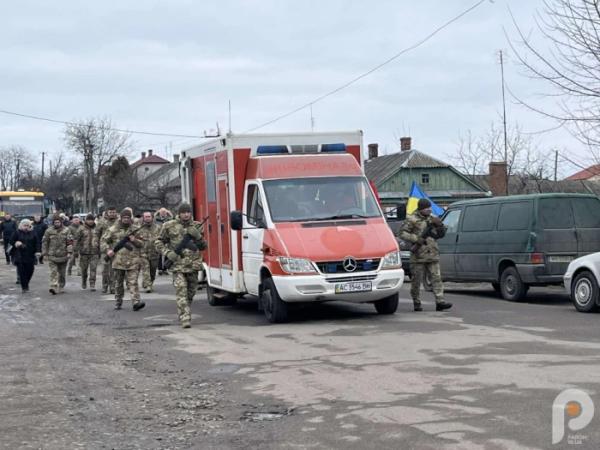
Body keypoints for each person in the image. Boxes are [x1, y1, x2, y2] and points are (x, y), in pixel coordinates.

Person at [155, 203, 206, 328]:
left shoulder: (197, 225)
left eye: (188, 212)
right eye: (183, 212)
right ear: (179, 213)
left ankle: (184, 310)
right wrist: (168, 253)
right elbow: (158, 241)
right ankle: (185, 318)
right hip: (177, 265)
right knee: (181, 290)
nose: (186, 214)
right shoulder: (169, 226)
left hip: (193, 265)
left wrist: (198, 237)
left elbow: (203, 246)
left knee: (191, 293)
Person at [399, 198, 452, 312]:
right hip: (418, 255)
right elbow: (402, 233)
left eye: (429, 207)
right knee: (416, 281)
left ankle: (440, 302)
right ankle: (417, 302)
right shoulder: (412, 219)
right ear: (421, 208)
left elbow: (440, 235)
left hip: (432, 254)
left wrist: (440, 226)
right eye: (426, 208)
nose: (429, 209)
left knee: (436, 279)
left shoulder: (433, 218)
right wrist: (416, 239)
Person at [101, 208, 145, 311]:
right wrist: (108, 250)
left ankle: (136, 302)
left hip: (133, 260)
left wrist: (135, 240)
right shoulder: (113, 229)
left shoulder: (135, 230)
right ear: (120, 218)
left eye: (128, 218)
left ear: (131, 218)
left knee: (133, 282)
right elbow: (103, 241)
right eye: (124, 217)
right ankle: (118, 301)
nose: (126, 219)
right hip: (118, 261)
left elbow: (142, 244)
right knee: (118, 283)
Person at [41, 214, 73, 295]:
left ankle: (61, 286)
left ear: (61, 222)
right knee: (53, 272)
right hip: (52, 255)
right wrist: (44, 253)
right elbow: (45, 242)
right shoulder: (49, 231)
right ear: (53, 223)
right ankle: (53, 286)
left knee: (62, 273)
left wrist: (69, 252)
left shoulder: (66, 230)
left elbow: (69, 242)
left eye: (58, 222)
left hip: (63, 255)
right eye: (55, 222)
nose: (57, 223)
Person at [9, 219, 41, 293]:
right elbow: (11, 241)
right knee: (22, 272)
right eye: (24, 225)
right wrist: (16, 243)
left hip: (30, 255)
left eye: (27, 225)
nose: (26, 227)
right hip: (19, 255)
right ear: (21, 225)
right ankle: (24, 287)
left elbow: (37, 243)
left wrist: (38, 251)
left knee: (30, 271)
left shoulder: (33, 233)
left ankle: (26, 283)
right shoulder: (17, 232)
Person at [138, 211, 161, 293]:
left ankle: (149, 283)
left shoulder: (158, 228)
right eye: (146, 217)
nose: (147, 218)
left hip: (154, 252)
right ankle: (148, 285)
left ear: (152, 217)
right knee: (145, 269)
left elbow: (162, 239)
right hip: (143, 252)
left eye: (149, 216)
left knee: (153, 270)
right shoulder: (139, 228)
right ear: (143, 218)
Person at [96, 206, 118, 294]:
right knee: (105, 269)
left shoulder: (118, 222)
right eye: (110, 212)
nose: (112, 214)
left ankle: (113, 287)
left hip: (116, 248)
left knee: (114, 269)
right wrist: (96, 244)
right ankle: (105, 286)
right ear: (107, 213)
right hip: (105, 248)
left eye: (114, 212)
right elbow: (96, 234)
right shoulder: (102, 222)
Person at [75, 214, 100, 291]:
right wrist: (75, 250)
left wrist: (100, 250)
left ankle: (92, 284)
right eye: (88, 220)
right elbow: (76, 240)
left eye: (92, 220)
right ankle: (84, 281)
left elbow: (101, 239)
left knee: (93, 269)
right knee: (84, 270)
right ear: (86, 220)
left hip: (94, 252)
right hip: (84, 252)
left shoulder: (97, 229)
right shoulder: (81, 229)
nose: (90, 221)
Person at [154, 208, 173, 275]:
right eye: (162, 212)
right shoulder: (156, 219)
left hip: (167, 237)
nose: (163, 213)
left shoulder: (169, 219)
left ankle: (165, 268)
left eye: (164, 212)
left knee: (166, 253)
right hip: (159, 237)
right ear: (160, 213)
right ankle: (160, 269)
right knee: (159, 253)